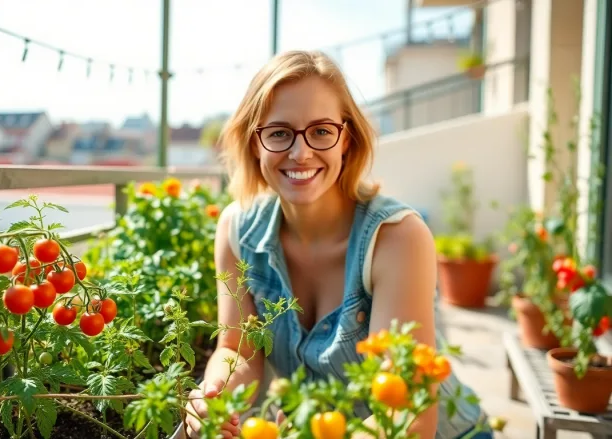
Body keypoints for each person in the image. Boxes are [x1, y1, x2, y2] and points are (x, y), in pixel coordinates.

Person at [184, 50, 491, 439]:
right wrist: (214, 397)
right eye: (279, 132)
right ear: (254, 142)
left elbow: (405, 414)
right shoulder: (236, 229)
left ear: (346, 139)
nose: (300, 152)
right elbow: (239, 351)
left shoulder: (397, 239)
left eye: (321, 131)